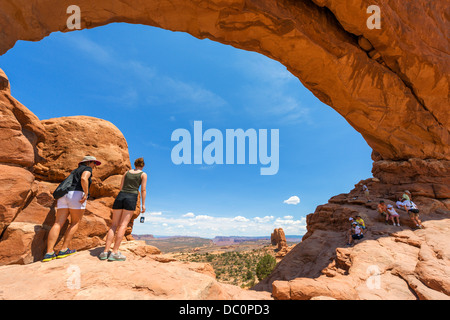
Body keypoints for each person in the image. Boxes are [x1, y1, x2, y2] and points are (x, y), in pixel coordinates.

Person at [43, 155, 101, 262]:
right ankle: (64, 250)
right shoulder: (87, 169)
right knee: (75, 222)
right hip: (76, 195)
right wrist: (86, 193)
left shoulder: (74, 171)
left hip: (64, 195)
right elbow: (84, 178)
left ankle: (49, 253)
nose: (94, 166)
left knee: (58, 223)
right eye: (94, 163)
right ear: (88, 162)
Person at [100, 157, 147, 261]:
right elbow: (143, 189)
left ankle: (105, 252)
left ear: (135, 164)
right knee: (123, 225)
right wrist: (143, 205)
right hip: (131, 197)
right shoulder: (143, 174)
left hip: (121, 196)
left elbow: (121, 187)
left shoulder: (126, 173)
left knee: (113, 225)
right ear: (143, 165)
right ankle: (114, 252)